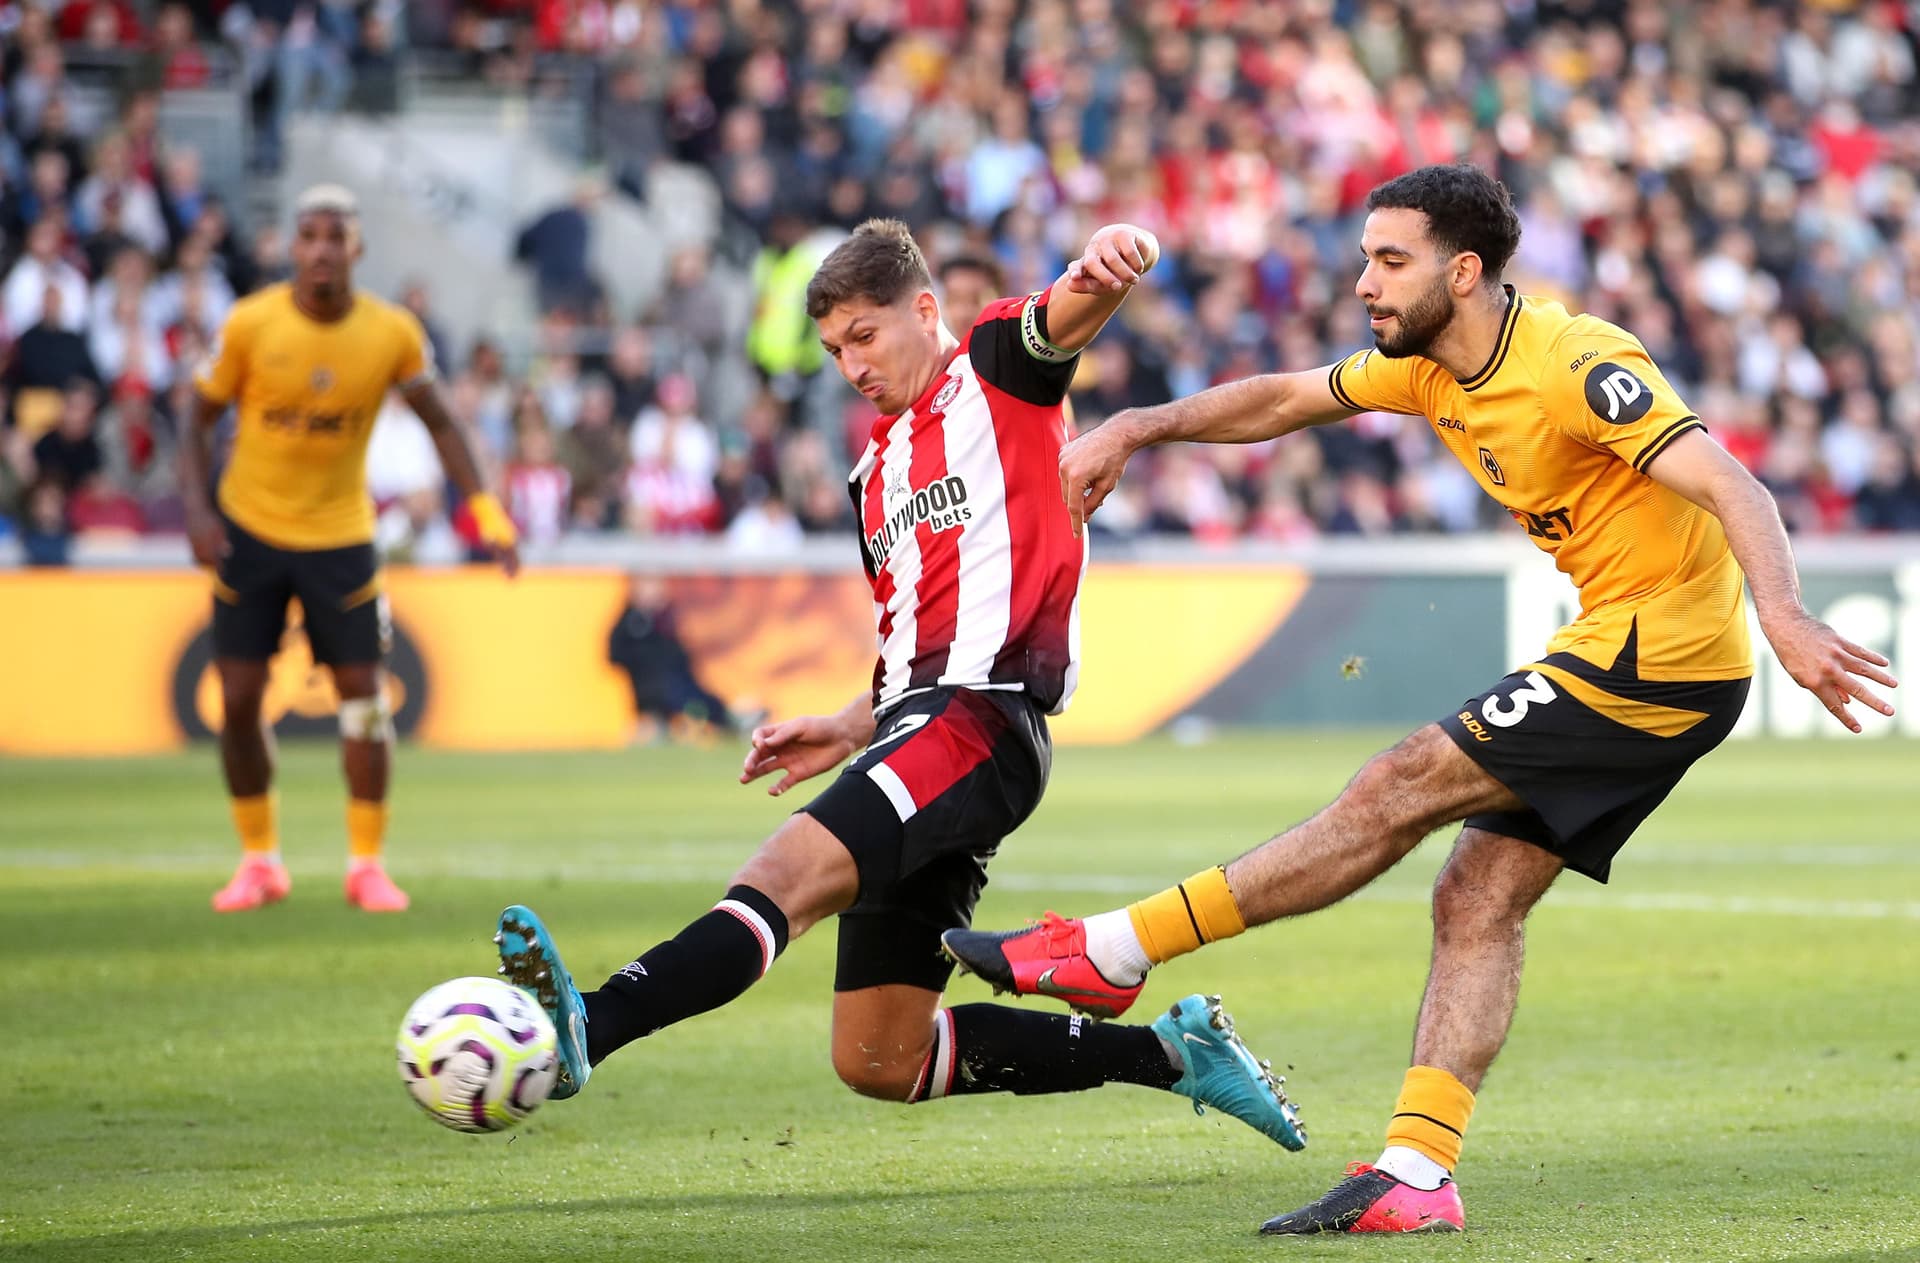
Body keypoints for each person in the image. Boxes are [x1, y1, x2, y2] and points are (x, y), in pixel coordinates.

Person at [940, 164, 1899, 1235]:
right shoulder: (1426, 368)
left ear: (1465, 271)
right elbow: (1284, 398)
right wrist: (1134, 426)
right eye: (1367, 259)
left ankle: (1115, 949)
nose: (1365, 282)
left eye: (1390, 261)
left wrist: (1786, 616)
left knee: (1398, 782)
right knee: (1475, 897)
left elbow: (1733, 483)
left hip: (1659, 656)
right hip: (1625, 645)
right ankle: (1418, 1172)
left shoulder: (1576, 363)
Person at [494, 218, 1306, 1150]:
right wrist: (852, 723)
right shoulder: (874, 469)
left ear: (924, 310)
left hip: (979, 722)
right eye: (834, 349)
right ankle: (1173, 1054)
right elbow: (915, 629)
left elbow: (1074, 305)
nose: (851, 365)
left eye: (864, 336)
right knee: (881, 1055)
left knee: (782, 876)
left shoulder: (997, 368)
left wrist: (1119, 251)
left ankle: (592, 1022)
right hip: (915, 726)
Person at [178, 184, 521, 915]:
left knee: (365, 702)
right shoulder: (251, 324)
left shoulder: (390, 333)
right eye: (309, 235)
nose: (322, 249)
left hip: (341, 538)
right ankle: (259, 861)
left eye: (336, 236)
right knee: (237, 700)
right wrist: (199, 513)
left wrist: (486, 507)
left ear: (357, 248)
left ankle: (367, 865)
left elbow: (443, 422)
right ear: (292, 246)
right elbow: (195, 417)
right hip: (250, 531)